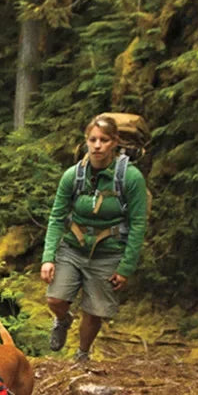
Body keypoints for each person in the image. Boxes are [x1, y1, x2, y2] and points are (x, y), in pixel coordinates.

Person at [40, 114, 148, 363]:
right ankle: (63, 319)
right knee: (55, 299)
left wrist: (126, 267)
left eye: (104, 140)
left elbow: (138, 224)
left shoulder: (130, 178)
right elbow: (57, 217)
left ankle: (82, 355)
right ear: (86, 141)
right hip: (73, 248)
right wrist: (48, 258)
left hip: (109, 252)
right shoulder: (73, 176)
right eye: (93, 139)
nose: (97, 145)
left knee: (94, 311)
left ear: (115, 142)